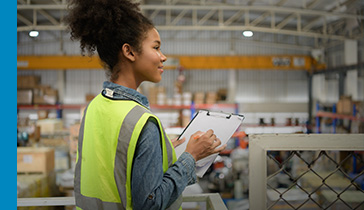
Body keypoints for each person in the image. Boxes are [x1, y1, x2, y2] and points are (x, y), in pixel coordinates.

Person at [66, 0, 226, 209]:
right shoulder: (141, 123)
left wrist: (162, 151)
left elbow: (112, 168)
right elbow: (150, 204)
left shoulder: (94, 107)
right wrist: (191, 157)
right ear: (129, 52)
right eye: (156, 47)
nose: (163, 56)